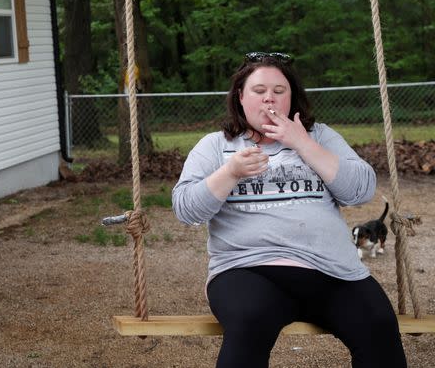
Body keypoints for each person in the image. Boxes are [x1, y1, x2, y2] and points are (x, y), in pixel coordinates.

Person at [172, 52, 406, 368]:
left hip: (332, 271)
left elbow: (361, 191)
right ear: (241, 97)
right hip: (247, 269)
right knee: (250, 320)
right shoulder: (216, 146)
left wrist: (303, 143)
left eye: (279, 91)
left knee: (378, 324)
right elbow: (187, 210)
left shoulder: (319, 136)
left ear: (291, 98)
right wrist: (230, 173)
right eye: (259, 90)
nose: (270, 97)